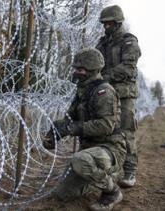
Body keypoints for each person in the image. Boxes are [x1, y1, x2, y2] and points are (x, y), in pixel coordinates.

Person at [43, 48, 126, 211]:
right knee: (63, 193)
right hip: (89, 150)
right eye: (76, 69)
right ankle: (104, 176)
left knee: (80, 160)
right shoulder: (82, 91)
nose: (76, 73)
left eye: (80, 70)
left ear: (92, 70)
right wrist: (55, 132)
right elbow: (69, 119)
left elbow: (106, 125)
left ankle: (112, 192)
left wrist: (73, 128)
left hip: (110, 148)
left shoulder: (104, 92)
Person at [96, 5, 141, 187]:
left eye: (109, 23)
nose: (106, 26)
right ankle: (106, 170)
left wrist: (105, 77)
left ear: (118, 22)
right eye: (104, 23)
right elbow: (95, 61)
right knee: (104, 131)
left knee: (126, 132)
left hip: (123, 95)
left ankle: (129, 172)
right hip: (105, 94)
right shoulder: (103, 43)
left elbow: (129, 67)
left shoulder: (128, 42)